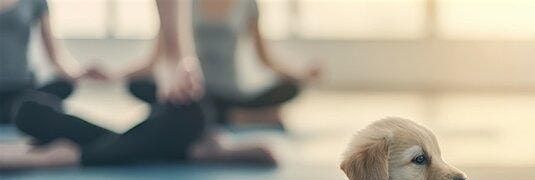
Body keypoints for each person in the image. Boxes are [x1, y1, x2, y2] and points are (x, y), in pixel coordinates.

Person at [1, 0, 276, 170]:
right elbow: (159, 57)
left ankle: (74, 157)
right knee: (28, 110)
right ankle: (185, 150)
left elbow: (175, 54)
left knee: (186, 115)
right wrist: (114, 76)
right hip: (172, 115)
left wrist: (181, 63)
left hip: (188, 102)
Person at [122, 0, 320, 128]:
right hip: (195, 90)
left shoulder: (248, 4)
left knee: (290, 88)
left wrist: (301, 75)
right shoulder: (181, 4)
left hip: (233, 93)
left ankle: (222, 115)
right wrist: (115, 75)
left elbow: (265, 58)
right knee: (138, 86)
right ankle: (241, 118)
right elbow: (158, 57)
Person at [0, 0, 107, 124]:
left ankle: (19, 111)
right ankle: (18, 113)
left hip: (20, 88)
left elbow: (52, 50)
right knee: (31, 109)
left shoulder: (34, 2)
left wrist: (75, 74)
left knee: (62, 87)